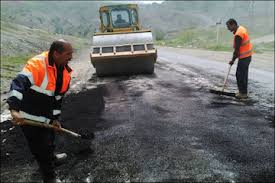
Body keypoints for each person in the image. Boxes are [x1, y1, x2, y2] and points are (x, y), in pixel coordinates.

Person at [7, 39, 73, 183]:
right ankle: (49, 178)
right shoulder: (37, 64)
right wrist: (14, 109)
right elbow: (18, 84)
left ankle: (52, 158)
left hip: (46, 117)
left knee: (49, 140)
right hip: (27, 117)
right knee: (40, 149)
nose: (71, 57)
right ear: (56, 53)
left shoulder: (65, 74)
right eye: (68, 54)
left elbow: (57, 100)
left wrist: (55, 119)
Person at [226, 18, 253, 99]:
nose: (228, 29)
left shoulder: (238, 34)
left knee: (240, 75)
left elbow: (237, 50)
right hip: (247, 56)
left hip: (244, 57)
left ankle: (243, 93)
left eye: (228, 26)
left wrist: (232, 60)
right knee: (243, 75)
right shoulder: (241, 28)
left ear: (233, 25)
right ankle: (243, 92)